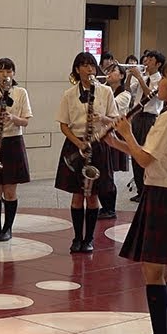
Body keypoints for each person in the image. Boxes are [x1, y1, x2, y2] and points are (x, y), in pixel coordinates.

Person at [107, 58, 167, 334]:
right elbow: (149, 155)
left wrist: (127, 132)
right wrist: (117, 143)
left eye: (162, 80)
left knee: (154, 271)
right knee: (165, 270)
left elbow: (145, 159)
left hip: (164, 195)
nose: (156, 84)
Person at [56, 52, 117, 253]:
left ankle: (89, 238)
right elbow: (64, 125)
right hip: (76, 145)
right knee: (77, 195)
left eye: (91, 65)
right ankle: (76, 238)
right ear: (77, 69)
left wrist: (102, 119)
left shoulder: (106, 92)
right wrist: (78, 143)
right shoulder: (69, 94)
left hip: (97, 144)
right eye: (84, 65)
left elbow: (115, 120)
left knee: (93, 196)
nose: (89, 69)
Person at [0, 58, 32, 241]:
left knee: (10, 190)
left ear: (13, 73)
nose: (5, 75)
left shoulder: (21, 93)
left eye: (8, 71)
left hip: (13, 143)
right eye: (1, 71)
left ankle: (7, 229)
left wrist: (13, 118)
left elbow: (25, 120)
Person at [98, 62, 137, 218]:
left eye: (113, 71)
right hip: (105, 133)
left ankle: (110, 208)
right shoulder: (105, 91)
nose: (109, 73)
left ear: (121, 76)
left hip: (115, 134)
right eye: (109, 71)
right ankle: (105, 206)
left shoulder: (124, 94)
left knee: (108, 173)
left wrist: (102, 116)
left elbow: (111, 109)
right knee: (103, 172)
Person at [129, 51, 165, 202]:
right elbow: (130, 91)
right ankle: (139, 189)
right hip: (137, 116)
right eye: (147, 58)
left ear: (158, 64)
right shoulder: (143, 76)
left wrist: (139, 77)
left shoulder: (160, 80)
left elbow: (151, 95)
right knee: (134, 151)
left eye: (151, 59)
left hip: (150, 118)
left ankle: (147, 190)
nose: (147, 61)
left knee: (145, 153)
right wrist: (130, 75)